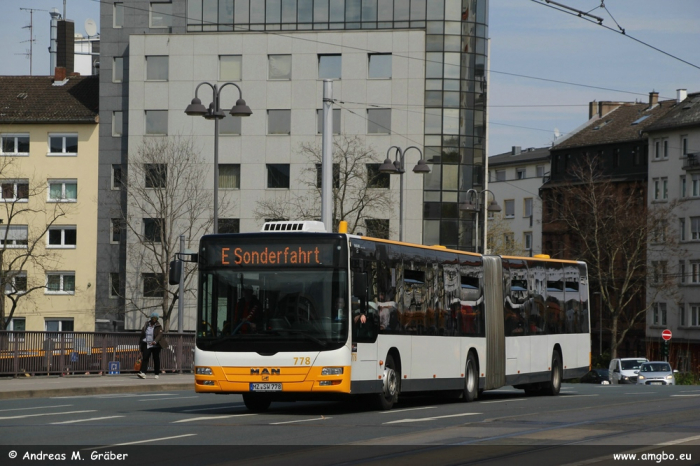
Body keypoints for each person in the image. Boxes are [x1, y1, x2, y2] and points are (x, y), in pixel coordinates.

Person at [138, 312, 168, 379]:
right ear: (151, 318)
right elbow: (142, 334)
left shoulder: (158, 326)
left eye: (155, 318)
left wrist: (155, 341)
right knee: (145, 358)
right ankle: (143, 373)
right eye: (153, 318)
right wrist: (141, 344)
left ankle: (157, 373)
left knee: (156, 358)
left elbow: (160, 335)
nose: (154, 319)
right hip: (147, 343)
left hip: (156, 345)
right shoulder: (147, 324)